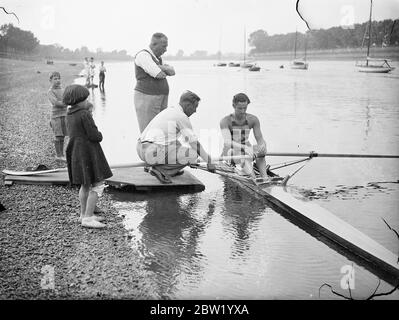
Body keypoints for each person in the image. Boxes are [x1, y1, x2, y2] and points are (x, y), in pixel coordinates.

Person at [136, 90, 215, 182]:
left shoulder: (170, 111)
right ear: (188, 105)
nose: (195, 111)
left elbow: (175, 142)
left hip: (140, 148)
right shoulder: (181, 116)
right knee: (193, 155)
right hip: (152, 152)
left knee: (178, 146)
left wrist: (185, 161)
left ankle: (170, 169)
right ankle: (161, 170)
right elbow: (194, 143)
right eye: (195, 107)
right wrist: (208, 161)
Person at [63, 84, 112, 229]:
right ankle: (88, 218)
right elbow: (93, 135)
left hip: (76, 151)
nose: (87, 101)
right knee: (98, 184)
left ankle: (83, 214)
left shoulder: (69, 113)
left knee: (85, 184)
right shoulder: (84, 114)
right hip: (88, 152)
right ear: (79, 100)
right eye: (85, 99)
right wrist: (100, 135)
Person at [220, 93, 268, 179]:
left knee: (261, 150)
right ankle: (253, 179)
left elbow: (260, 139)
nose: (242, 111)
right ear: (233, 106)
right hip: (230, 152)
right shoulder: (225, 121)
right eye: (239, 108)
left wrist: (263, 146)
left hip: (247, 150)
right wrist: (245, 148)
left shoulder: (253, 119)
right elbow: (228, 142)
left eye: (245, 108)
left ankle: (265, 177)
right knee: (242, 153)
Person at [134, 32, 175, 133]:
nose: (165, 50)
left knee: (160, 131)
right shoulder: (143, 55)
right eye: (164, 46)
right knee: (148, 132)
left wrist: (161, 67)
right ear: (154, 44)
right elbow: (158, 74)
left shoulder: (158, 59)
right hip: (147, 98)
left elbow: (172, 72)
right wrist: (165, 68)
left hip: (159, 99)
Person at [47, 71, 68, 162]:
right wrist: (65, 103)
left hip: (64, 114)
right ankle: (58, 155)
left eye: (59, 78)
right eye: (55, 79)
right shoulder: (50, 91)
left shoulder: (62, 89)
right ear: (50, 80)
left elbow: (67, 98)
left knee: (63, 135)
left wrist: (67, 102)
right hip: (56, 116)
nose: (57, 80)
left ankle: (62, 154)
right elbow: (55, 102)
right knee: (58, 135)